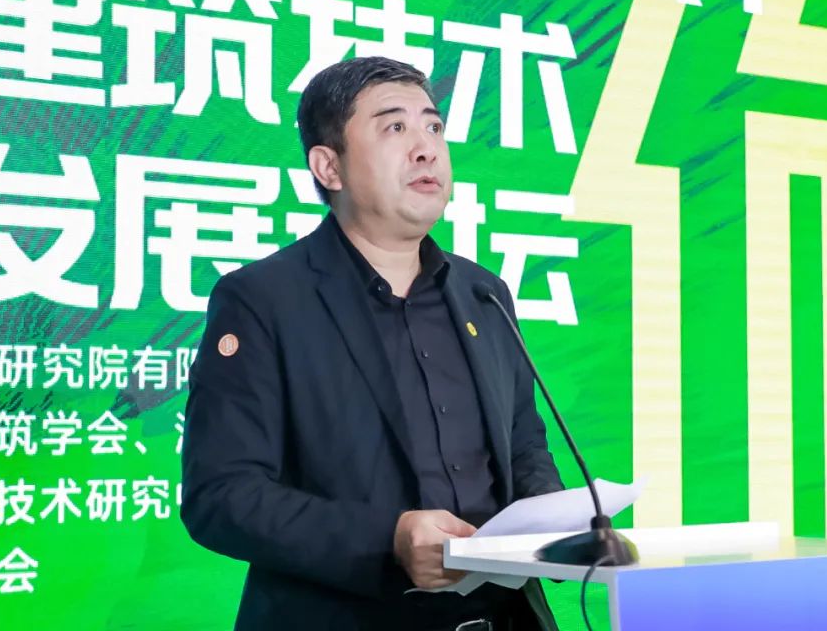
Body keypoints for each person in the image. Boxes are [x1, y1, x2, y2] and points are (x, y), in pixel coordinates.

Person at [180, 56, 564, 630]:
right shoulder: (263, 299)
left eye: (434, 126)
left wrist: (556, 520)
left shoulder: (484, 293)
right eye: (395, 127)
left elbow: (523, 444)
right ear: (329, 166)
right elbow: (221, 496)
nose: (426, 148)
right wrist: (388, 539)